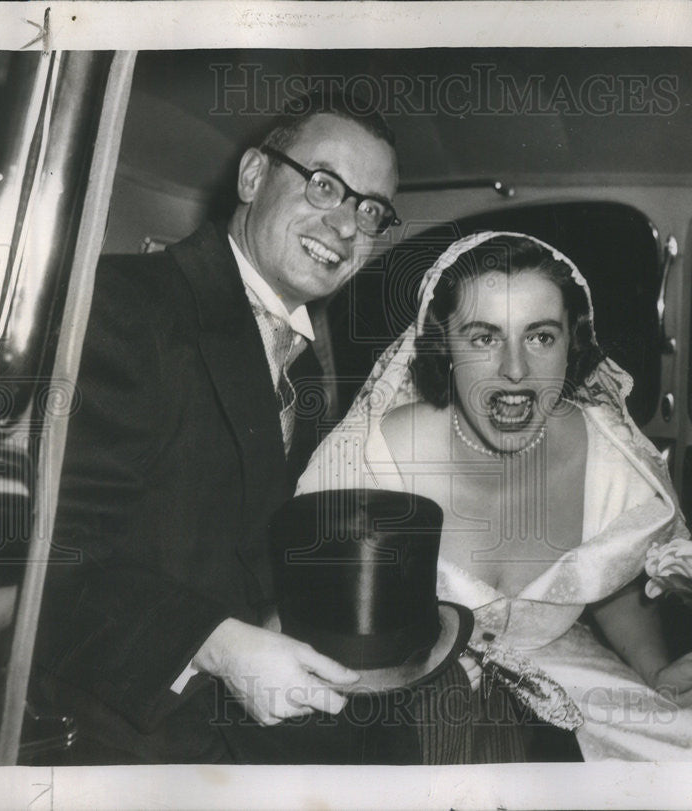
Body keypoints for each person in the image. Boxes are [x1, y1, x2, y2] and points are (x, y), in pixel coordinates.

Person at [31, 91, 405, 764]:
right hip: (123, 719)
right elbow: (49, 570)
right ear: (254, 177)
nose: (348, 225)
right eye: (325, 185)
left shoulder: (314, 368)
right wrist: (219, 643)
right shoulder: (125, 304)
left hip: (254, 708)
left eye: (371, 209)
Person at [298, 231, 692, 761]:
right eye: (484, 337)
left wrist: (656, 674)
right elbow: (311, 614)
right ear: (444, 347)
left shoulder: (609, 458)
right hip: (402, 698)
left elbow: (614, 579)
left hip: (570, 681)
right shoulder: (371, 460)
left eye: (540, 337)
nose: (515, 369)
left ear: (570, 344)